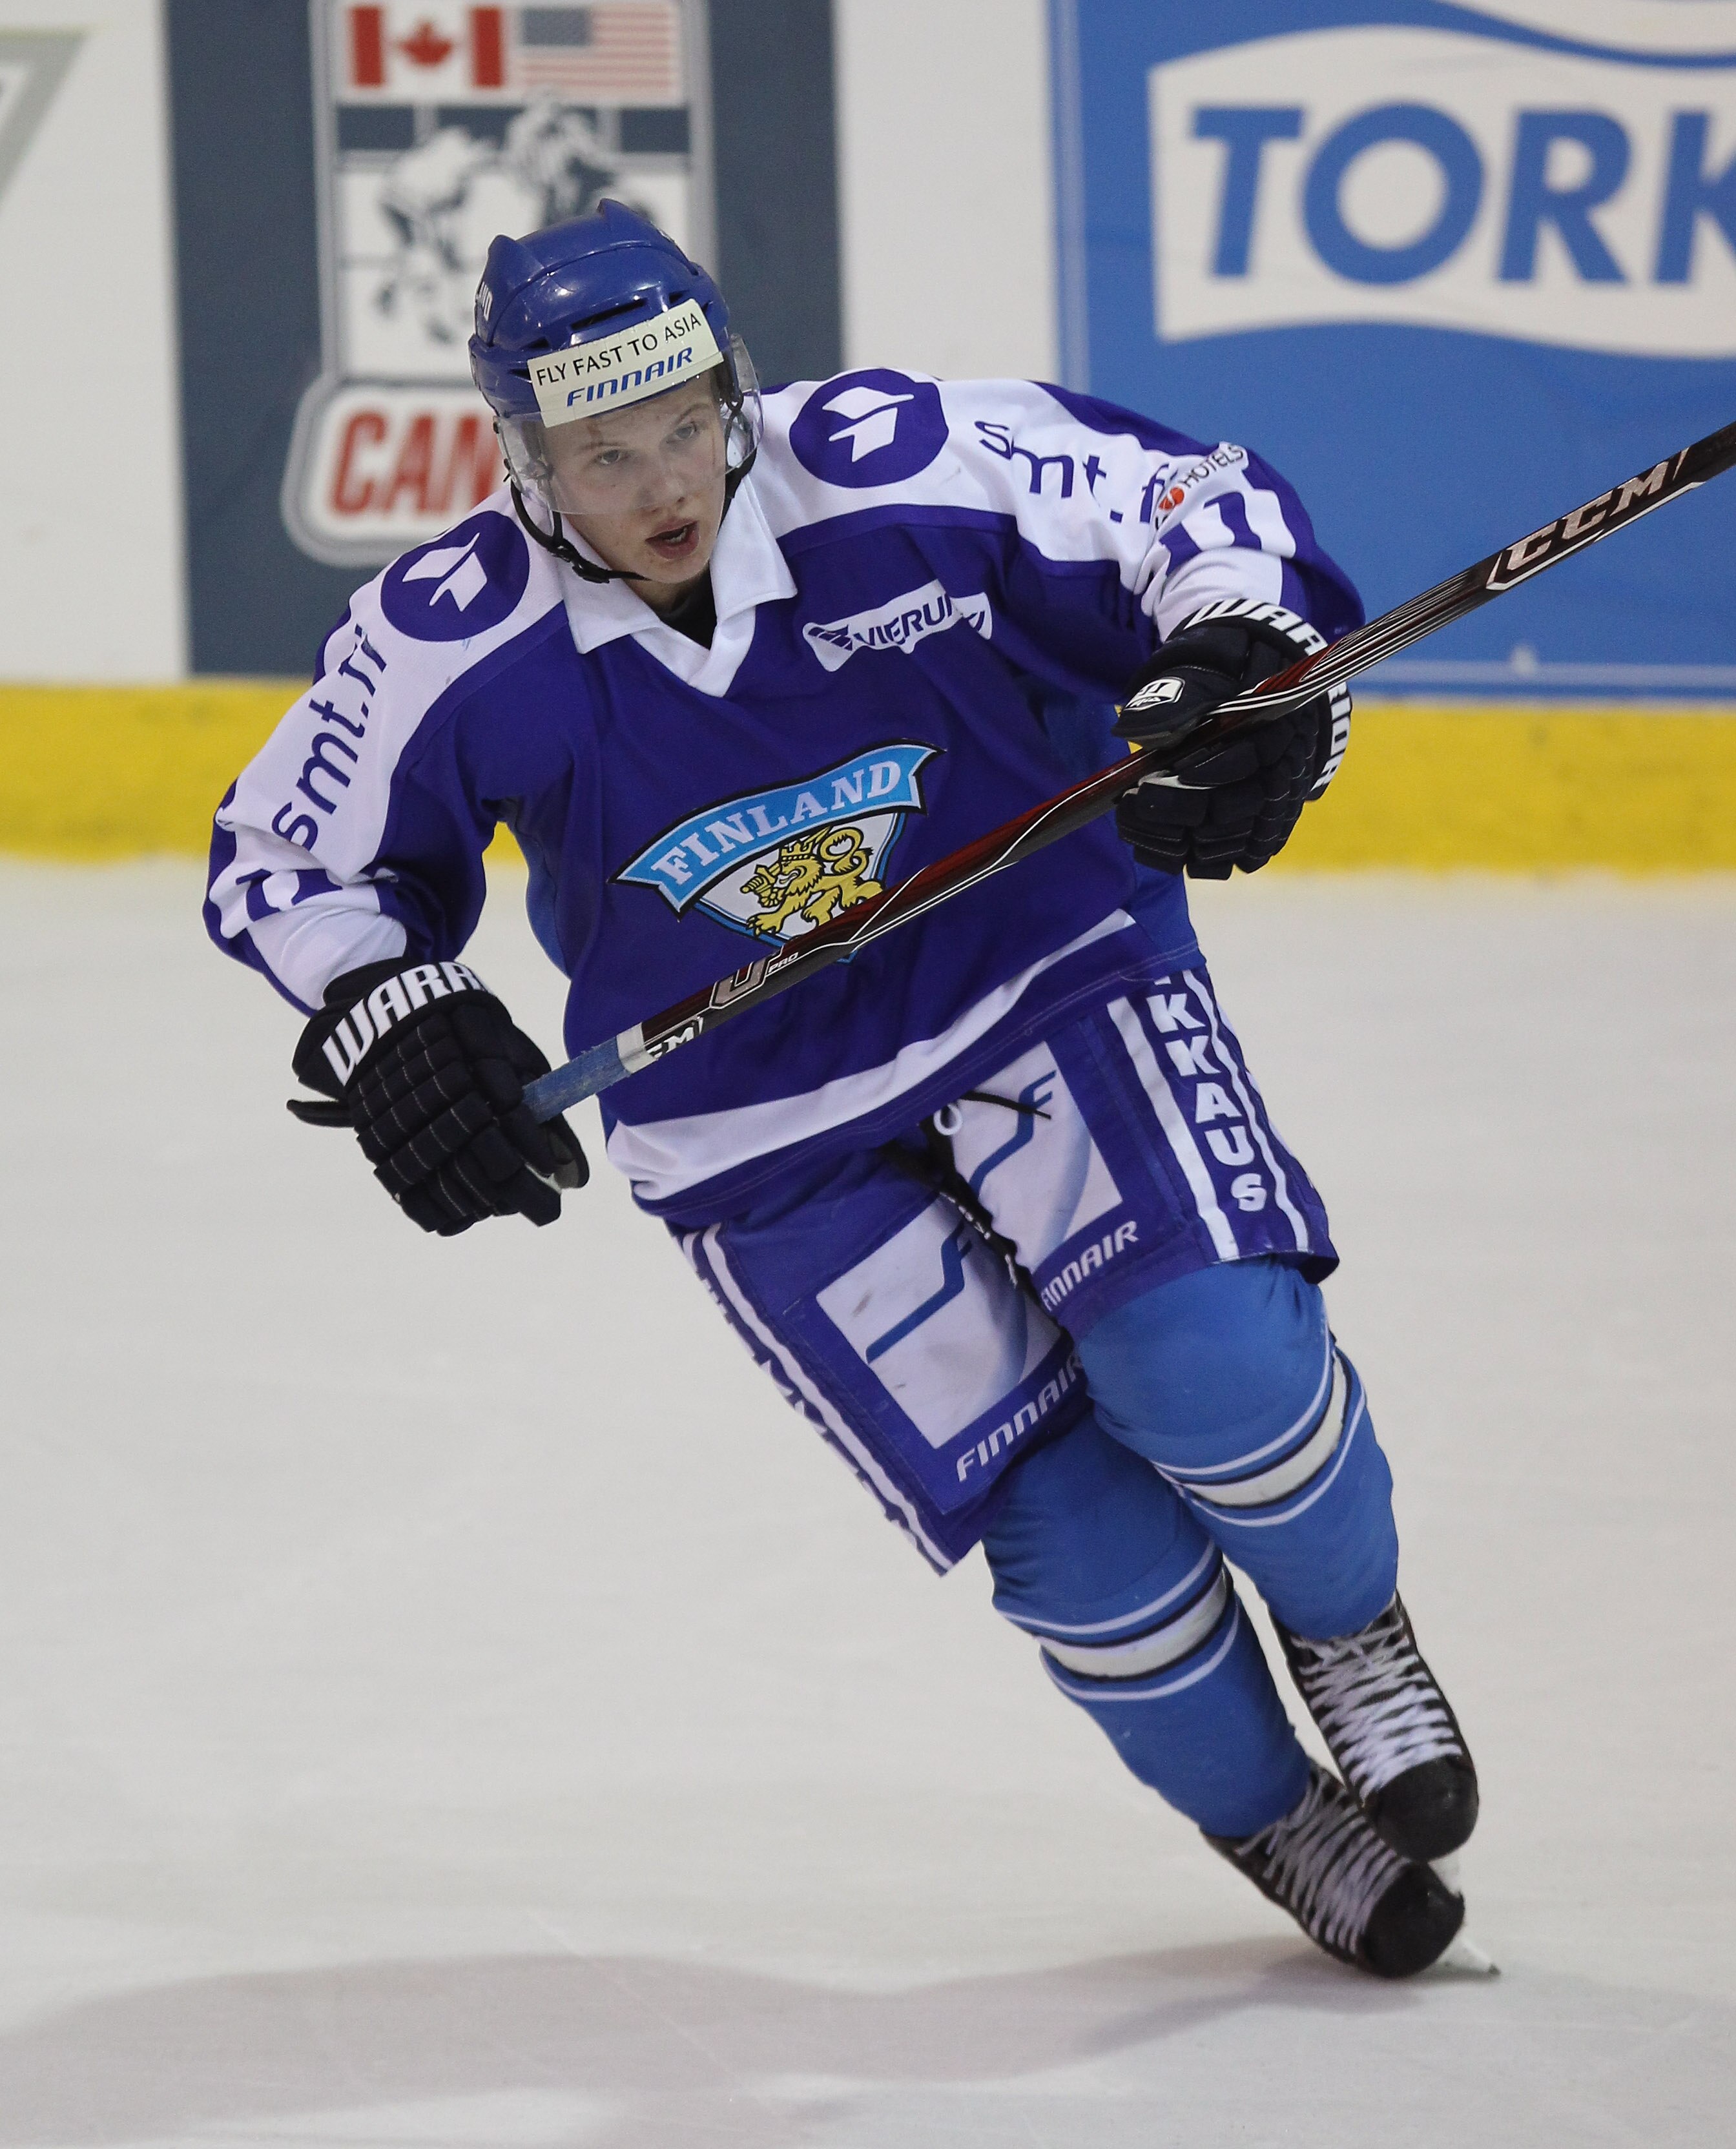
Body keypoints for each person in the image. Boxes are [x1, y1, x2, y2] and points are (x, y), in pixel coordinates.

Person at [207, 202, 1478, 1979]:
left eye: (682, 425)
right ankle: (1273, 1810)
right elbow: (287, 852)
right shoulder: (452, 633)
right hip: (754, 1119)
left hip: (1037, 969)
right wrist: (390, 1004)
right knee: (1075, 1543)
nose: (661, 485)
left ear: (732, 388)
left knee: (1210, 1363)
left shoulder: (897, 467)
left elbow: (1191, 509)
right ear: (519, 461)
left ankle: (1352, 1627)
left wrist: (1255, 673)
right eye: (599, 453)